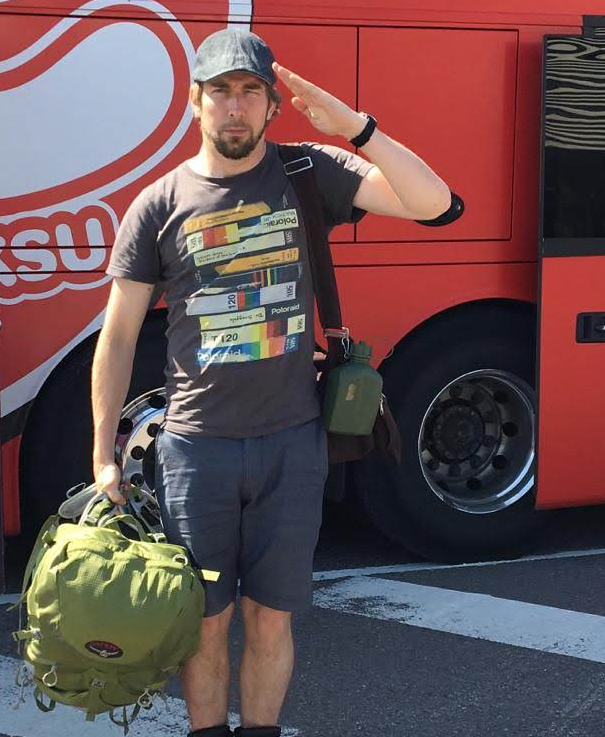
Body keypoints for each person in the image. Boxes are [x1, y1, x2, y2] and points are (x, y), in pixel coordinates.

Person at [91, 28, 451, 737]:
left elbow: (433, 202)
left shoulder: (308, 172)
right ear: (195, 102)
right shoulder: (158, 204)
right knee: (202, 622)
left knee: (269, 618)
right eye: (220, 91)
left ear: (271, 106)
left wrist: (355, 127)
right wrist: (103, 452)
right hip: (195, 450)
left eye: (250, 91)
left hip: (292, 443)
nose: (235, 106)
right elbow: (119, 335)